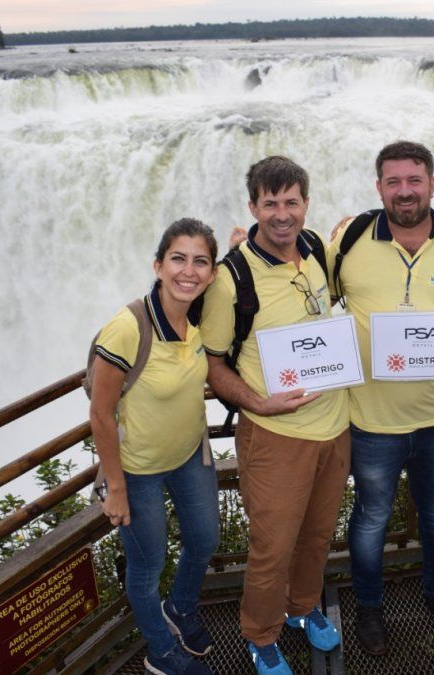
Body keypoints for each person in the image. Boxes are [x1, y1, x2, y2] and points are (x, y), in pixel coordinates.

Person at [330, 141, 434, 655]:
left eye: (415, 180)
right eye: (394, 181)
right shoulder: (350, 238)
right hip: (370, 419)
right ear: (379, 187)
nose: (405, 191)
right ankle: (370, 606)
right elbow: (303, 290)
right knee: (371, 517)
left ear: (433, 183)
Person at [200, 156, 350, 675]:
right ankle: (260, 635)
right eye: (271, 204)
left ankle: (303, 609)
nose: (282, 214)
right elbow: (213, 363)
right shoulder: (230, 278)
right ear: (253, 207)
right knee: (272, 546)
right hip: (275, 435)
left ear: (306, 204)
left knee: (317, 534)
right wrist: (258, 403)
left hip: (335, 427)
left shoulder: (316, 251)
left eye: (291, 202)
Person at [90, 218, 220, 675]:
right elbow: (100, 414)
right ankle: (161, 651)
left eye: (200, 261)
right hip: (137, 469)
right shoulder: (127, 328)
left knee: (205, 540)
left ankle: (181, 608)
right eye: (178, 259)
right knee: (147, 568)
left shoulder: (201, 314)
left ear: (212, 271)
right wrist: (116, 486)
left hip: (188, 455)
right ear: (158, 265)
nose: (189, 271)